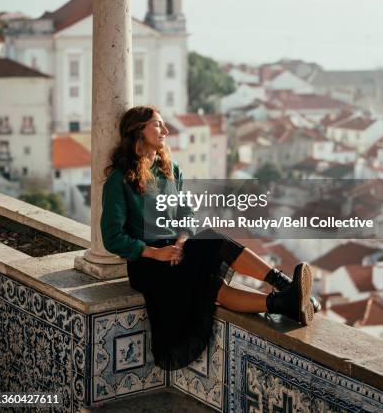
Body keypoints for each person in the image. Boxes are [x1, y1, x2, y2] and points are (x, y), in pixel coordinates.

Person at [100, 106, 318, 371]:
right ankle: (286, 298)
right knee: (211, 279)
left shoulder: (170, 169)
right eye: (158, 125)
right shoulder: (119, 180)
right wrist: (154, 252)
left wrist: (182, 238)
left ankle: (285, 293)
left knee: (214, 246)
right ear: (137, 130)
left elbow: (187, 214)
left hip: (178, 250)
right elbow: (112, 237)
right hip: (149, 264)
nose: (166, 131)